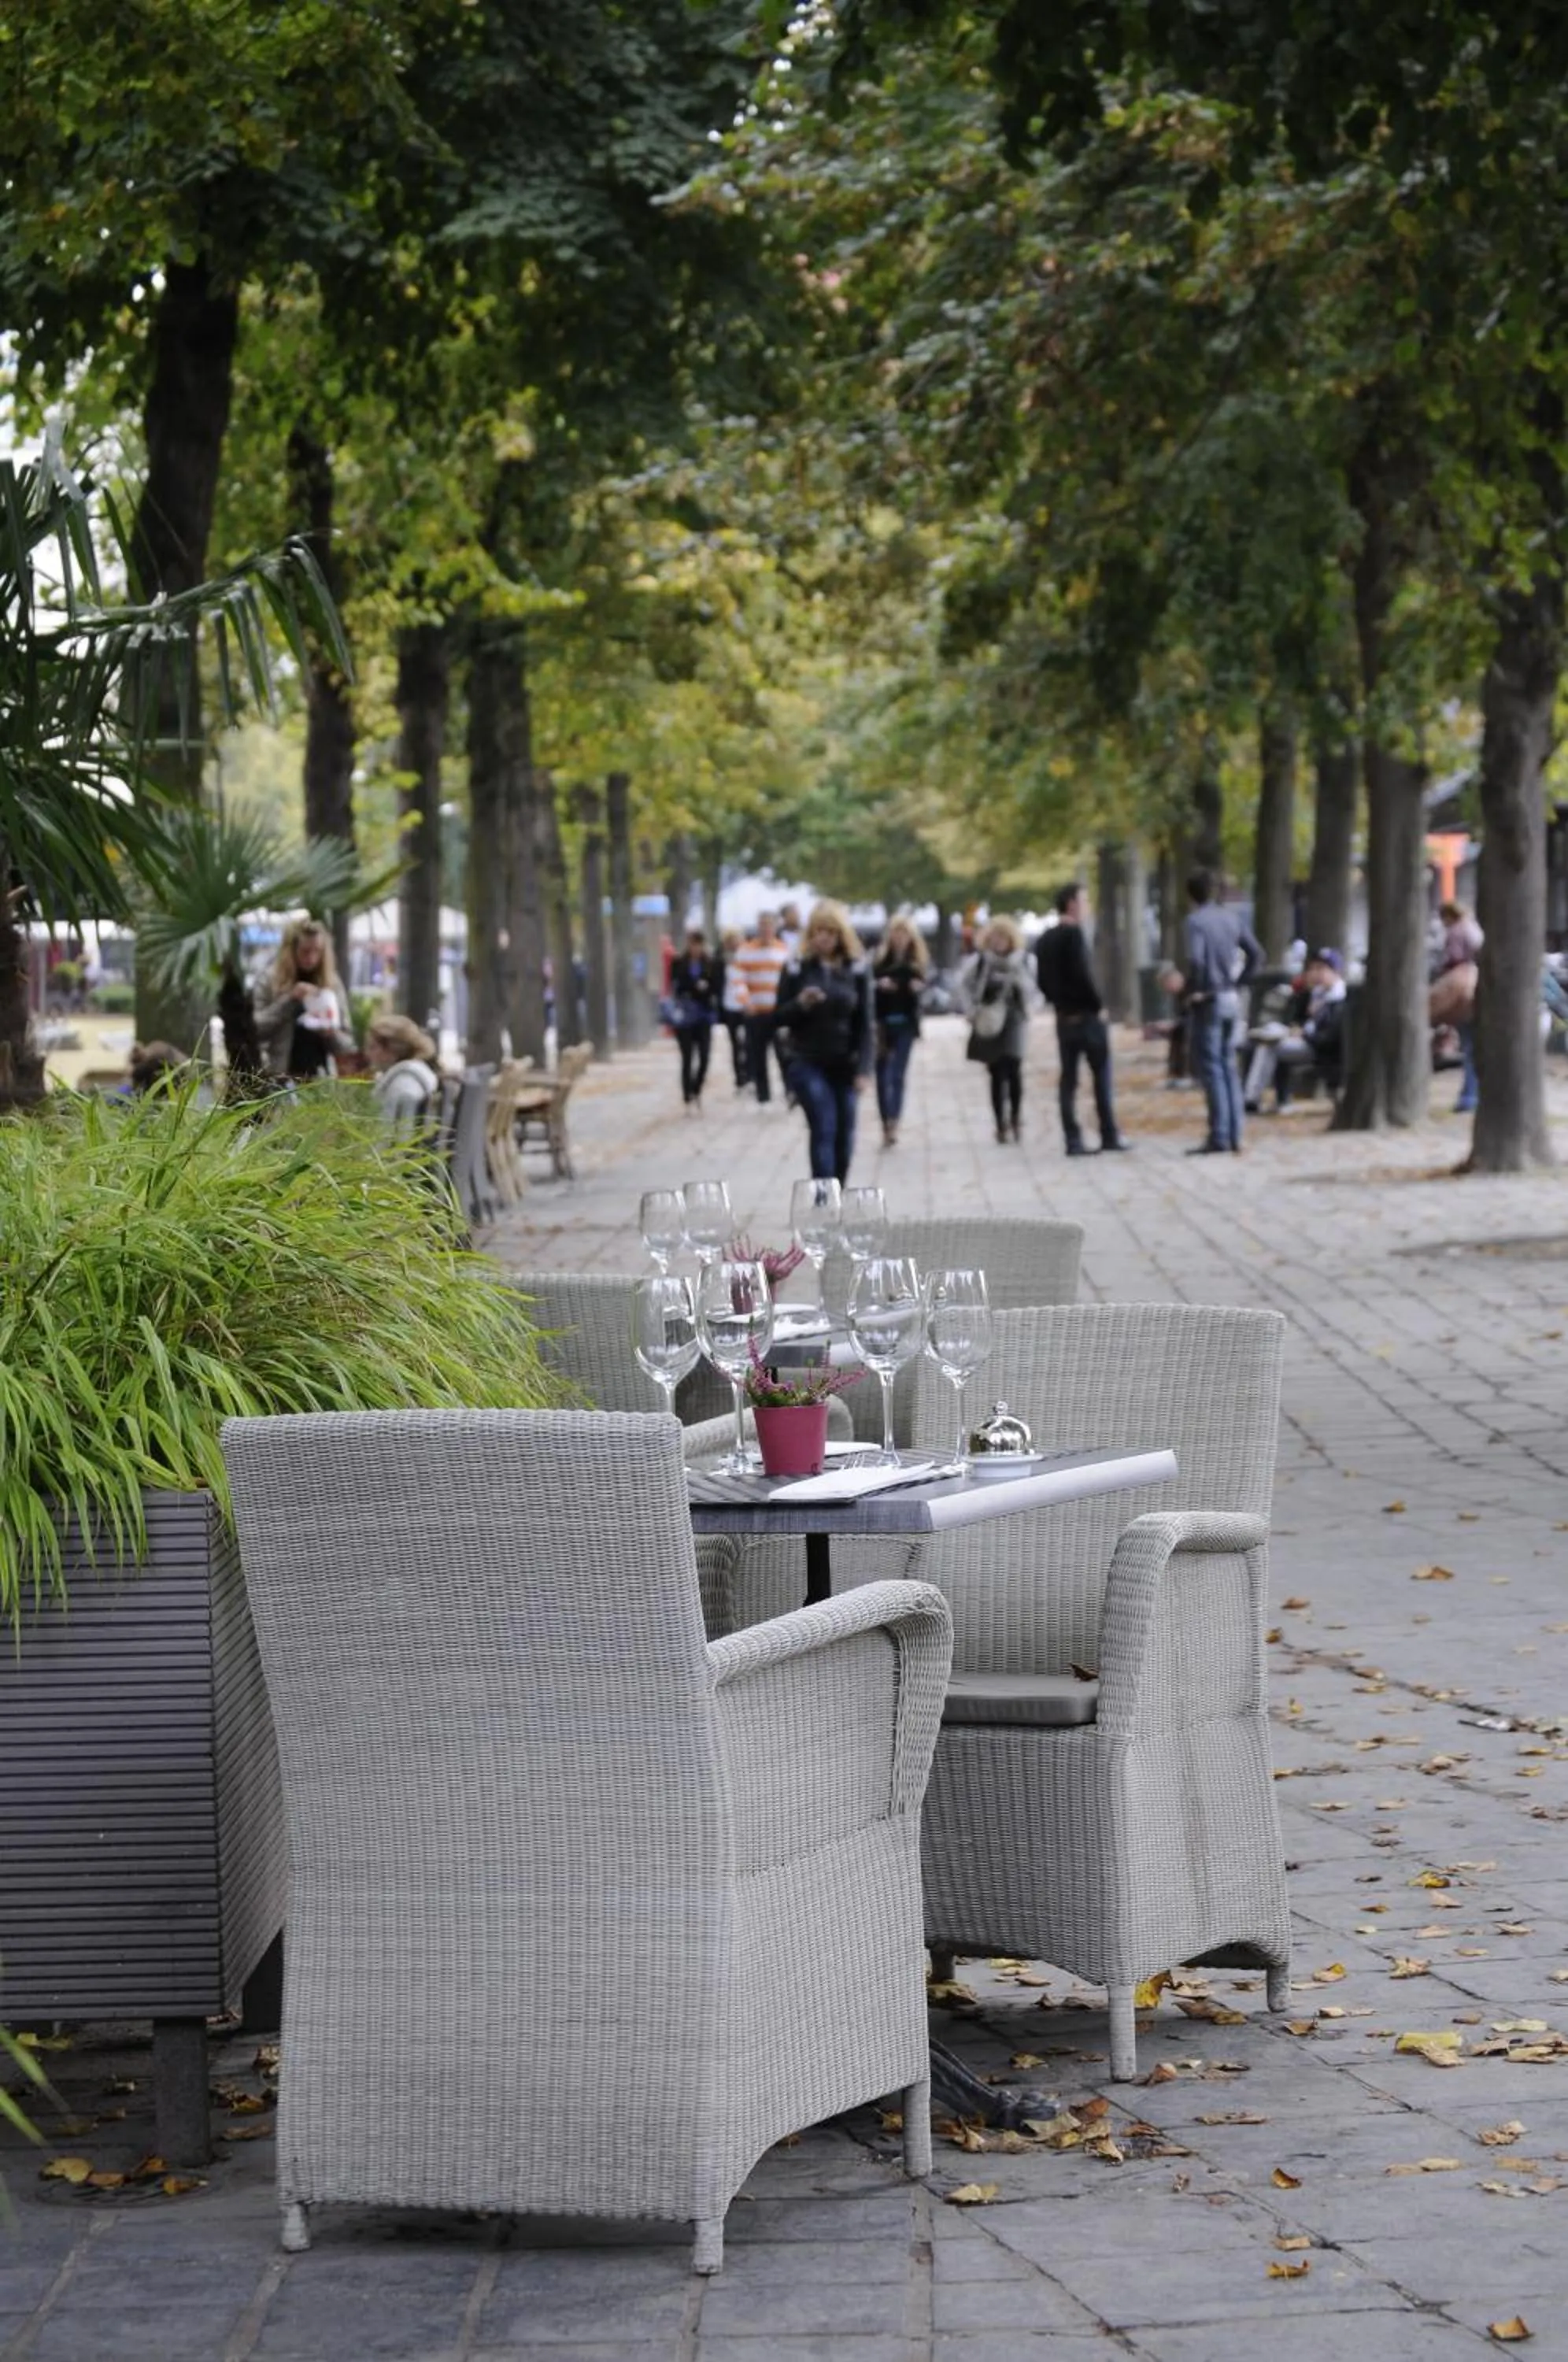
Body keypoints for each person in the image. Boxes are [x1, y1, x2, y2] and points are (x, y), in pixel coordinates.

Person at [773, 900, 873, 1183]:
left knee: (845, 1135)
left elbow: (866, 1022)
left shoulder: (857, 969)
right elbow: (779, 1018)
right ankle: (823, 1201)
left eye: (829, 931)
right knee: (824, 1124)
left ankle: (838, 1193)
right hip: (806, 1059)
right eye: (817, 931)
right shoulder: (796, 968)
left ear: (841, 934)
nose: (823, 938)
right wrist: (801, 1004)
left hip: (845, 1062)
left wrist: (865, 1069)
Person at [1034, 882, 1130, 1156]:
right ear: (1072, 904)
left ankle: (1072, 1139)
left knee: (1069, 1079)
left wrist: (1057, 1002)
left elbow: (1041, 981)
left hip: (1063, 1017)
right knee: (1101, 1076)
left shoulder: (1044, 940)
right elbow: (1082, 974)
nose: (1087, 907)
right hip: (1086, 1016)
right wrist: (1097, 1005)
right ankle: (1108, 1133)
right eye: (1084, 901)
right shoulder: (1073, 935)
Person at [1183, 871, 1262, 1155]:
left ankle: (1219, 1134)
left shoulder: (1196, 922)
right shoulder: (1232, 919)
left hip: (1211, 999)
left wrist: (1196, 989)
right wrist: (1238, 983)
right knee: (1229, 1065)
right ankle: (1236, 1133)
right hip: (1231, 998)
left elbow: (1196, 959)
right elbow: (1256, 954)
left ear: (1190, 895)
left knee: (1212, 1068)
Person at [1244, 950, 1347, 1110]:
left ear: (1335, 972)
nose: (1316, 974)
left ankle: (1252, 1098)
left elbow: (1329, 1037)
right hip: (1302, 1040)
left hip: (1318, 1049)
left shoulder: (1340, 999)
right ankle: (1265, 1097)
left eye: (1321, 969)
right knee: (1268, 1036)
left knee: (1269, 1047)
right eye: (1313, 969)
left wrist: (1305, 1034)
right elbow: (1295, 1020)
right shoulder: (1313, 995)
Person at [962, 915, 1032, 1144]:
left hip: (1014, 1019)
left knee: (1014, 1067)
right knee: (996, 1072)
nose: (999, 941)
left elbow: (1033, 990)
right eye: (994, 937)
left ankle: (1015, 1117)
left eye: (1003, 937)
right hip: (990, 1020)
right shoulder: (982, 962)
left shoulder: (1023, 961)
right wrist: (971, 1010)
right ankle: (1000, 1123)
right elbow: (964, 984)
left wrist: (1019, 985)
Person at [255, 919, 352, 1082]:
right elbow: (256, 1029)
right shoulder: (270, 980)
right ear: (291, 950)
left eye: (318, 952)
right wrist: (289, 1000)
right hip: (280, 1077)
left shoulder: (331, 983)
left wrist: (330, 1033)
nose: (312, 959)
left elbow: (347, 1044)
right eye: (305, 951)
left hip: (319, 1079)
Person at [871, 916, 927, 1146]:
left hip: (905, 1023)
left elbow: (923, 986)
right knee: (882, 1076)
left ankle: (894, 1121)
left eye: (904, 933)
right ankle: (885, 1120)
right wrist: (880, 985)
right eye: (896, 933)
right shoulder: (879, 961)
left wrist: (917, 988)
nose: (899, 938)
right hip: (882, 1024)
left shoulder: (916, 962)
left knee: (897, 1074)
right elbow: (868, 987)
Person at [731, 911, 790, 1104]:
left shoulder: (784, 950)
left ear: (775, 927)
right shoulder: (746, 951)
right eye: (762, 925)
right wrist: (745, 1001)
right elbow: (738, 979)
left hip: (778, 1012)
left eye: (769, 925)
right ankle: (763, 1095)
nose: (765, 929)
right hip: (756, 1010)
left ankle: (791, 1091)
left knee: (784, 1053)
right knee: (757, 1054)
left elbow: (790, 982)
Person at [667, 927, 722, 1111]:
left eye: (699, 944)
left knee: (705, 1056)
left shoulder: (710, 963)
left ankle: (697, 1088)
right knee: (687, 1056)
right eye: (693, 944)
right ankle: (687, 1093)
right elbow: (675, 984)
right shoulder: (679, 962)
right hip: (685, 1015)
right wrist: (693, 986)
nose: (696, 948)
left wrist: (707, 987)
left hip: (704, 1014)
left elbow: (717, 985)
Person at [1436, 898, 1483, 1114]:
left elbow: (1453, 959)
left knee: (1469, 1048)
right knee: (1473, 1047)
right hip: (1477, 992)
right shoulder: (1473, 927)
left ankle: (1469, 1097)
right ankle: (1473, 1094)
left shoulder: (1455, 931)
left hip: (1462, 995)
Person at [366, 1014, 440, 1138]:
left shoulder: (402, 1087)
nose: (367, 1053)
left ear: (393, 1050)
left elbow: (386, 1141)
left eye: (373, 1047)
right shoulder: (419, 1074)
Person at [719, 927, 750, 1090]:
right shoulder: (722, 960)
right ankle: (739, 1077)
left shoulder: (748, 958)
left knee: (748, 1042)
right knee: (735, 1044)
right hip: (730, 1005)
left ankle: (749, 1072)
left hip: (747, 1004)